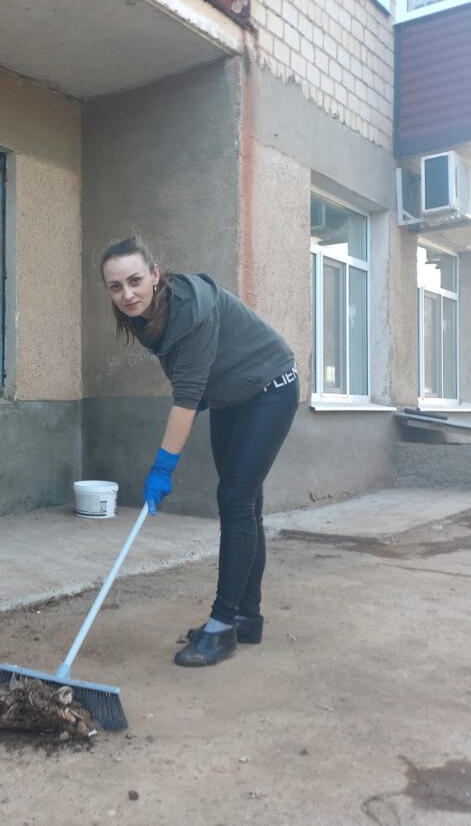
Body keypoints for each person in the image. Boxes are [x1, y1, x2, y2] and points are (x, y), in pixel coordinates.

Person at [101, 235, 297, 668]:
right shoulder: (141, 316)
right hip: (231, 397)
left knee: (235, 500)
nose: (127, 294)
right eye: (115, 287)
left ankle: (223, 624)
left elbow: (186, 395)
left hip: (271, 388)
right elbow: (193, 377)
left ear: (156, 275)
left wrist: (162, 467)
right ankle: (248, 617)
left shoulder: (188, 310)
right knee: (245, 505)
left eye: (135, 280)